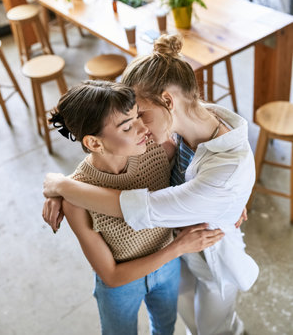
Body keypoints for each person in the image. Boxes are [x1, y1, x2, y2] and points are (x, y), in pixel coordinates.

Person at [43, 34, 259, 335]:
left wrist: (59, 185)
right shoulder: (180, 124)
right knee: (186, 318)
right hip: (171, 250)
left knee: (213, 327)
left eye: (140, 115)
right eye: (131, 120)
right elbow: (106, 153)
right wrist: (69, 190)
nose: (141, 128)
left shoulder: (211, 163)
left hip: (206, 251)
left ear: (167, 102)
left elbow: (141, 207)